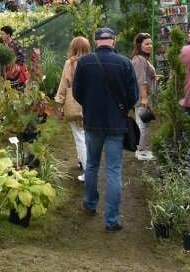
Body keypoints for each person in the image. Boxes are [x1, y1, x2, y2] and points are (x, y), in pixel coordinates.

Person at [72, 27, 138, 232]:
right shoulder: (125, 63)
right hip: (116, 124)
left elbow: (77, 93)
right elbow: (133, 95)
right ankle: (111, 220)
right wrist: (121, 109)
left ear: (95, 41)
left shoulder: (84, 63)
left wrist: (90, 106)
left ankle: (90, 204)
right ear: (114, 41)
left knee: (91, 165)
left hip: (92, 122)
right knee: (114, 171)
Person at [56, 36, 90, 181]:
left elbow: (64, 85)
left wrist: (60, 105)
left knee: (80, 138)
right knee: (89, 137)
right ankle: (85, 164)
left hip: (75, 103)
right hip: (91, 103)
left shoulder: (70, 64)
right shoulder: (92, 62)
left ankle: (89, 172)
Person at [130, 33, 157, 161]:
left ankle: (140, 149)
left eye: (150, 43)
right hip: (142, 98)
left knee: (140, 123)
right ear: (139, 45)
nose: (150, 46)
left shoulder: (141, 59)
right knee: (143, 125)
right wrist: (144, 98)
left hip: (140, 97)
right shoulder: (140, 60)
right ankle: (141, 151)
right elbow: (141, 81)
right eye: (147, 44)